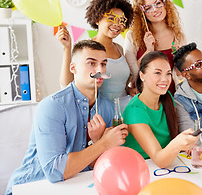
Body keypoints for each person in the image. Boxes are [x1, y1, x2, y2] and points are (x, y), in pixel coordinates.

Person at [5, 40, 128, 195]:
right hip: (33, 186)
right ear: (73, 68)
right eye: (92, 63)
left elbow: (108, 164)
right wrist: (103, 144)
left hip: (77, 185)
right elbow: (55, 172)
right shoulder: (52, 106)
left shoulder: (109, 108)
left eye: (103, 64)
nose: (100, 69)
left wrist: (97, 142)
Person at [122, 51, 198, 168]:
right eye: (157, 73)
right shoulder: (134, 111)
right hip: (141, 167)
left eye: (168, 74)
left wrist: (186, 145)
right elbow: (160, 160)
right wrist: (178, 143)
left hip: (169, 163)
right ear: (142, 76)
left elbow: (169, 143)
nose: (165, 79)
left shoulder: (167, 98)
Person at [56, 0, 134, 101]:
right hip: (100, 111)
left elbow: (119, 84)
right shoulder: (86, 48)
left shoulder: (119, 48)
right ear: (97, 19)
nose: (117, 24)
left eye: (121, 20)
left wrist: (129, 90)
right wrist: (66, 48)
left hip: (124, 110)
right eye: (111, 18)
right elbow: (66, 84)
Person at [124, 0, 186, 95]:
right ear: (142, 13)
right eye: (148, 8)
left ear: (164, 4)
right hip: (144, 94)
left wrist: (180, 60)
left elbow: (181, 74)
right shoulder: (133, 36)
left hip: (171, 94)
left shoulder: (178, 36)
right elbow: (132, 72)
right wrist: (149, 50)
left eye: (158, 3)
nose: (155, 9)